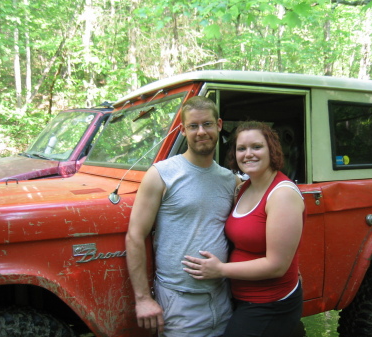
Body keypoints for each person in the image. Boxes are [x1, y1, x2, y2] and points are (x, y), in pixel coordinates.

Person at [125, 96, 240, 336]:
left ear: (219, 125)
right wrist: (143, 298)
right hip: (179, 302)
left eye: (207, 124)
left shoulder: (230, 181)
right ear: (182, 130)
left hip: (222, 298)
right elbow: (135, 236)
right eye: (193, 126)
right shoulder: (162, 174)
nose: (201, 132)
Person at [182, 120, 305, 337]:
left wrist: (219, 270)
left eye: (256, 147)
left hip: (270, 303)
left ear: (272, 150)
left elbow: (276, 266)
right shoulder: (243, 187)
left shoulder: (282, 194)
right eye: (241, 148)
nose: (248, 154)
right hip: (241, 298)